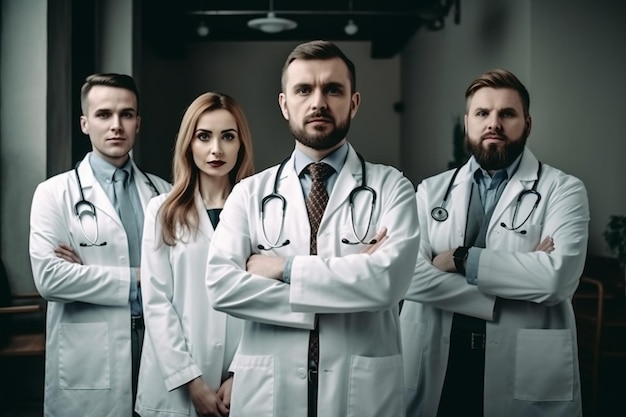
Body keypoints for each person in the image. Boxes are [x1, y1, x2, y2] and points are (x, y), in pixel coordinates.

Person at [204, 40, 420, 417]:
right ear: (285, 103)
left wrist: (282, 269)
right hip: (269, 392)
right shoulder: (250, 193)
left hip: (362, 392)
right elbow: (221, 287)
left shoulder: (393, 187)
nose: (318, 101)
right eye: (304, 90)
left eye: (332, 89)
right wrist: (351, 278)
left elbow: (388, 284)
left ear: (353, 102)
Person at [400, 69, 590, 417]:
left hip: (523, 365)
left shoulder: (563, 190)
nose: (494, 123)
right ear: (466, 124)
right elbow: (409, 278)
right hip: (440, 358)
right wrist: (515, 278)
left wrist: (460, 259)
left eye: (507, 113)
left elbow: (555, 280)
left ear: (527, 123)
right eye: (482, 113)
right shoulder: (430, 190)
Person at [29, 73, 171, 417]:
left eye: (126, 114)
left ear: (138, 122)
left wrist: (87, 273)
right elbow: (50, 279)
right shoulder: (54, 194)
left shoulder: (164, 193)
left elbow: (181, 277)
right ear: (85, 123)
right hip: (90, 358)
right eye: (104, 114)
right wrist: (139, 275)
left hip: (156, 348)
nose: (116, 125)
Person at [134, 92, 255, 417]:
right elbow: (157, 302)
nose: (216, 149)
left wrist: (240, 371)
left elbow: (265, 300)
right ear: (189, 144)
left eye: (228, 137)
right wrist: (191, 382)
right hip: (176, 386)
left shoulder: (260, 211)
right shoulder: (162, 211)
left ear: (241, 144)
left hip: (242, 382)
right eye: (204, 136)